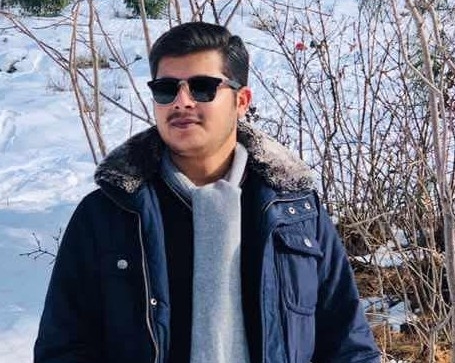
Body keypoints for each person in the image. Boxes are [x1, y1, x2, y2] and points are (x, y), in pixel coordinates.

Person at [34, 22, 380, 363]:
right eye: (166, 89)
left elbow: (348, 345)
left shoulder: (295, 212)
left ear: (241, 101)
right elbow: (63, 348)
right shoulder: (108, 213)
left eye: (202, 87)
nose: (181, 102)